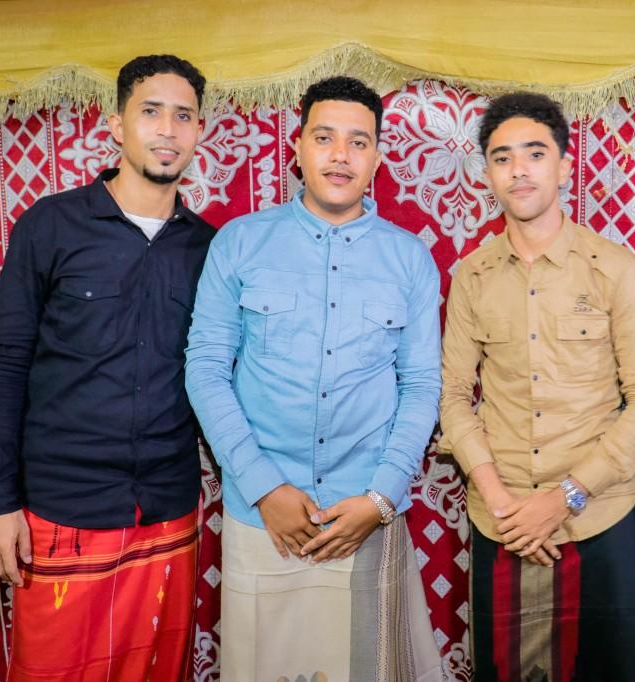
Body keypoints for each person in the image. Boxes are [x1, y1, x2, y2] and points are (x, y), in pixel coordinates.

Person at [185, 76, 443, 681]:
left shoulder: (409, 258)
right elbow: (205, 369)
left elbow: (421, 386)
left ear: (376, 159)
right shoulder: (241, 243)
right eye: (324, 138)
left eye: (358, 142)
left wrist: (380, 499)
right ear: (297, 148)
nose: (340, 155)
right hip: (263, 518)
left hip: (365, 514)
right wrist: (263, 488)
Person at [0, 54, 213, 681]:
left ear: (198, 130)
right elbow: (7, 367)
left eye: (183, 115)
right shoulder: (50, 226)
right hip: (62, 509)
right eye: (151, 111)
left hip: (167, 507)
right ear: (116, 125)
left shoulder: (210, 248)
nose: (167, 129)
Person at [439, 92, 635, 682]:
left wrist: (564, 498)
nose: (519, 169)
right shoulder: (472, 276)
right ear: (487, 175)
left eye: (535, 154)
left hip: (600, 519)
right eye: (502, 157)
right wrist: (503, 504)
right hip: (503, 523)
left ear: (565, 167)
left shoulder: (615, 268)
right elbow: (454, 398)